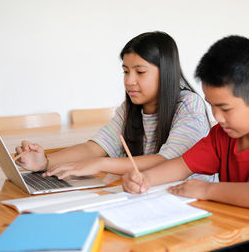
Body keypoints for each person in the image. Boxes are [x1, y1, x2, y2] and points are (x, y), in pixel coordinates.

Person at [122, 35, 249, 251]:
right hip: (246, 237)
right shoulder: (223, 135)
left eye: (225, 108)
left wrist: (208, 190)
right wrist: (145, 178)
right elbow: (182, 165)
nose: (217, 117)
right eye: (211, 105)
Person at [15, 31, 215, 182]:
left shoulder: (189, 105)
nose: (129, 81)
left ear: (166, 73)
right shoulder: (130, 108)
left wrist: (102, 163)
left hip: (189, 202)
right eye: (126, 71)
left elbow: (169, 161)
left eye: (140, 72)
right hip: (146, 195)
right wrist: (46, 162)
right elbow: (96, 147)